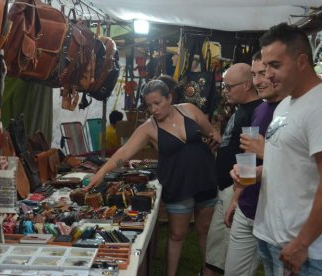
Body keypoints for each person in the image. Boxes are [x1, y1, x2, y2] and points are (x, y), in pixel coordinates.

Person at [230, 23, 322, 275]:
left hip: (300, 246)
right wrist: (256, 173)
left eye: (275, 65)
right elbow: (288, 161)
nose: (267, 74)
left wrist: (302, 243)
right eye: (265, 65)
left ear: (302, 61)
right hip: (271, 234)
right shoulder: (286, 104)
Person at [86, 80, 221, 276]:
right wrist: (101, 172)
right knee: (177, 234)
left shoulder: (189, 109)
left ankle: (207, 271)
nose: (153, 110)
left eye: (158, 103)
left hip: (204, 177)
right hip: (178, 184)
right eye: (149, 105)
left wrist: (215, 137)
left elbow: (211, 132)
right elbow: (124, 152)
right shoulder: (149, 128)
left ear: (170, 98)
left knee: (204, 229)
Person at [223, 51, 288, 276]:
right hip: (247, 209)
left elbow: (306, 167)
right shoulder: (260, 109)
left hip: (277, 217)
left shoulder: (293, 111)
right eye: (254, 74)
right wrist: (236, 198)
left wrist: (266, 152)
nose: (257, 81)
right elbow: (249, 159)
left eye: (263, 73)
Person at [204, 63, 263, 276]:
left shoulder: (256, 111)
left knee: (230, 251)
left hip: (237, 188)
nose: (225, 92)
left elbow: (253, 156)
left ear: (247, 85)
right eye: (224, 86)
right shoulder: (241, 109)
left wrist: (239, 194)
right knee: (216, 247)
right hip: (227, 187)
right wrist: (222, 146)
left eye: (229, 87)